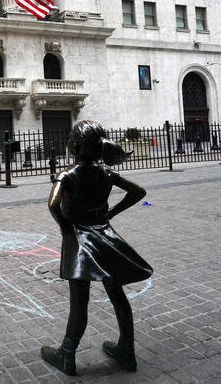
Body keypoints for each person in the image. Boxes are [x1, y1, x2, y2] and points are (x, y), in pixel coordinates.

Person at [41, 120, 152, 376]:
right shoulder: (106, 173)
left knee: (79, 302)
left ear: (76, 147)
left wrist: (65, 227)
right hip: (105, 237)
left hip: (79, 241)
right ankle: (127, 349)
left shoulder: (68, 174)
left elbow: (53, 204)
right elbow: (138, 192)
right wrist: (111, 213)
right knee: (117, 294)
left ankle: (67, 353)